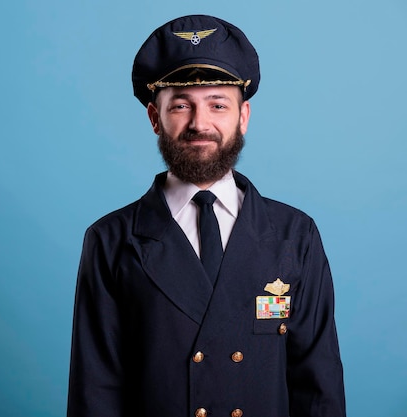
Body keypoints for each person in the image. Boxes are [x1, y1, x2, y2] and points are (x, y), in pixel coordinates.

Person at [67, 14, 346, 417]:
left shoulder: (295, 235)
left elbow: (319, 388)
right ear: (154, 118)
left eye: (218, 104)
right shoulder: (110, 241)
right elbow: (95, 394)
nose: (201, 124)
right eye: (181, 105)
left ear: (243, 116)